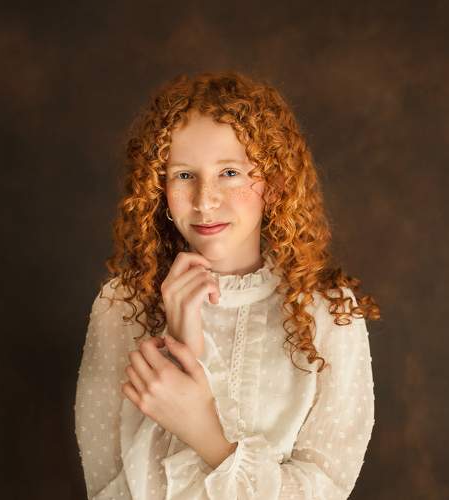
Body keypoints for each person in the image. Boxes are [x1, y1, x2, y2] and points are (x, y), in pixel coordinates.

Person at [74, 70, 381, 500]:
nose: (205, 200)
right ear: (158, 187)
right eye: (184, 175)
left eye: (230, 172)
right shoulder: (121, 306)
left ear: (273, 183)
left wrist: (205, 431)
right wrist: (182, 344)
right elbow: (107, 489)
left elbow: (324, 490)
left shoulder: (329, 312)